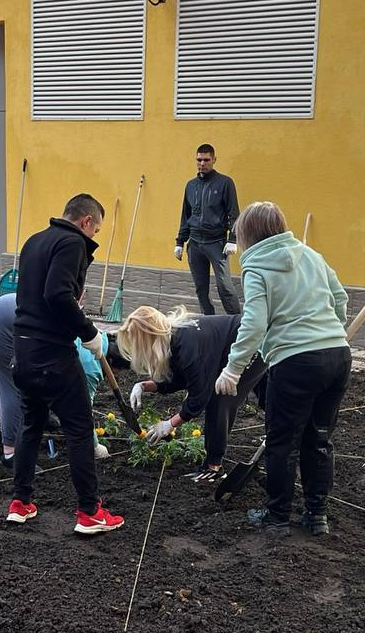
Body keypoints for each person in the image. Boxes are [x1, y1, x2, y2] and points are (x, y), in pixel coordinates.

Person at [215, 201, 350, 537]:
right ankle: (316, 516)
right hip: (337, 357)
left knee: (282, 442)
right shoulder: (311, 255)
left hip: (296, 363)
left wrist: (233, 369)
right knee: (319, 440)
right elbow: (341, 298)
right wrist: (330, 331)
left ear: (248, 235)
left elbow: (254, 323)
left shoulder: (256, 267)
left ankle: (276, 517)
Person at [8, 193, 124, 535]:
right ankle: (90, 513)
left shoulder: (34, 241)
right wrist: (88, 333)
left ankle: (21, 502)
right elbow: (57, 295)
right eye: (96, 230)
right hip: (53, 353)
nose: (94, 237)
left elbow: (38, 294)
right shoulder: (72, 243)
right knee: (78, 428)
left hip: (23, 350)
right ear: (85, 221)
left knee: (32, 424)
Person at [118, 305, 265, 481]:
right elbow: (180, 379)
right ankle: (279, 432)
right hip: (244, 340)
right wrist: (144, 386)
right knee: (268, 393)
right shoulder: (174, 337)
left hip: (251, 342)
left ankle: (214, 467)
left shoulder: (188, 347)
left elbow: (199, 397)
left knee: (219, 399)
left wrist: (169, 424)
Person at [0, 293, 111, 470]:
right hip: (3, 321)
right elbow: (83, 407)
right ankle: (9, 455)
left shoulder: (92, 338)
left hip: (20, 314)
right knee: (13, 386)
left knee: (40, 375)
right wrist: (94, 447)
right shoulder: (89, 361)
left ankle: (44, 417)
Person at [174, 144, 241, 316]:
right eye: (199, 160)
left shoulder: (225, 183)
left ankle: (237, 323)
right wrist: (180, 242)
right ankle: (209, 322)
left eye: (206, 160)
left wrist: (233, 239)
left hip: (217, 243)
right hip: (195, 244)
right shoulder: (191, 186)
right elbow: (185, 215)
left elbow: (234, 213)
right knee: (200, 289)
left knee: (224, 286)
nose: (202, 163)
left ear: (214, 160)